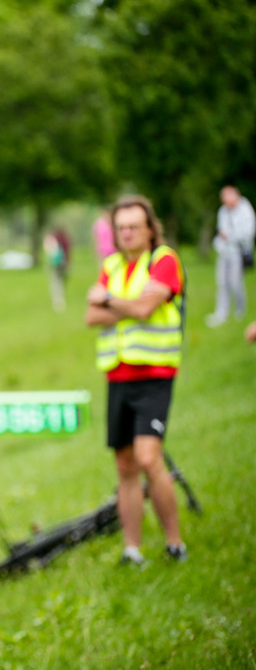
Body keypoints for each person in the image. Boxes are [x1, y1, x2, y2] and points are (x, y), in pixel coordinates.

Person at [85, 195, 187, 565]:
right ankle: (133, 548)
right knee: (125, 465)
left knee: (148, 457)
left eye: (134, 227)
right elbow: (91, 317)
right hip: (118, 375)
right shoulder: (112, 264)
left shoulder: (163, 260)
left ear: (149, 229)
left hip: (155, 374)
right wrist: (124, 307)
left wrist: (110, 300)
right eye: (121, 227)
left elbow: (146, 308)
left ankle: (174, 542)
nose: (126, 233)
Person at [206, 185, 256, 327]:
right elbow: (220, 232)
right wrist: (220, 243)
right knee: (222, 283)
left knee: (235, 282)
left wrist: (231, 237)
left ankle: (240, 311)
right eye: (223, 197)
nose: (226, 200)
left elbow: (249, 232)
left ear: (235, 195)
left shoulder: (245, 209)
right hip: (224, 252)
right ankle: (221, 313)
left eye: (228, 196)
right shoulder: (223, 212)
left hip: (238, 253)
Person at [43, 228, 72, 312]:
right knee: (60, 281)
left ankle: (57, 300)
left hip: (55, 264)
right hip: (64, 263)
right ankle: (60, 299)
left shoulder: (51, 239)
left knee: (55, 282)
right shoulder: (64, 239)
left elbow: (48, 250)